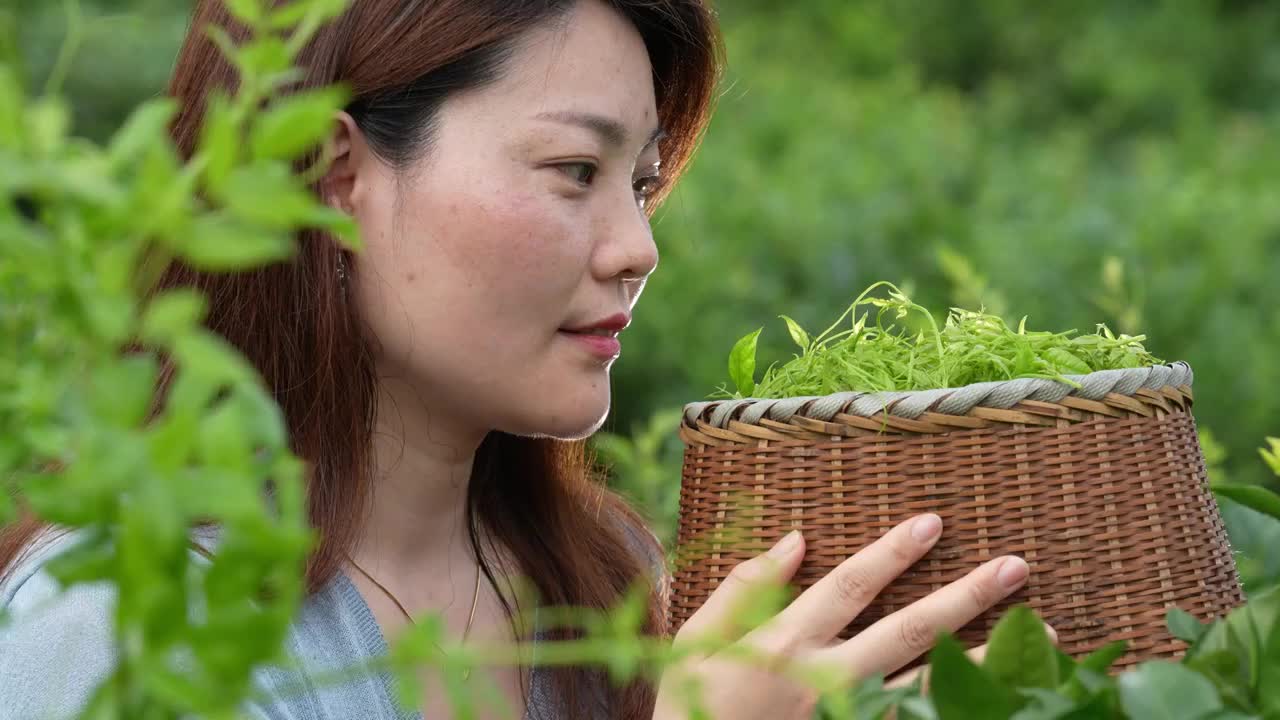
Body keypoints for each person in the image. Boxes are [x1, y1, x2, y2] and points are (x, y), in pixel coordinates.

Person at [0, 1, 1039, 718]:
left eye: (637, 184)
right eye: (572, 169)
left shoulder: (606, 587)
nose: (637, 249)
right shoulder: (116, 627)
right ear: (333, 176)